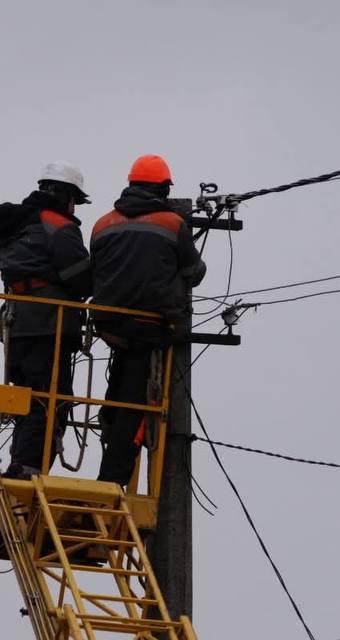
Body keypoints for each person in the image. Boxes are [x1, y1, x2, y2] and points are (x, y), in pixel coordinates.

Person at [89, 154, 206, 486]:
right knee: (138, 406)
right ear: (163, 189)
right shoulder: (172, 224)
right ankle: (112, 479)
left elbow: (95, 270)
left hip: (110, 326)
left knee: (120, 389)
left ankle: (108, 433)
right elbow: (194, 273)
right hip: (150, 327)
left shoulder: (102, 224)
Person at [0, 161, 93, 479]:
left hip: (17, 321)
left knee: (26, 397)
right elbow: (80, 278)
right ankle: (29, 467)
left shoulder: (15, 224)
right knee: (51, 398)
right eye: (74, 199)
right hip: (49, 323)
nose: (75, 207)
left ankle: (21, 462)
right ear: (65, 195)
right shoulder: (58, 226)